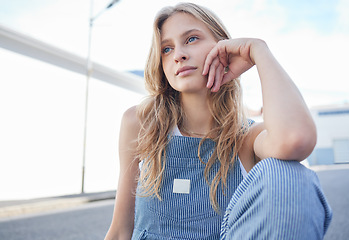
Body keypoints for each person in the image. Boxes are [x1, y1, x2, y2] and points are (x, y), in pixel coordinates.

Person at [105, 2, 332, 240]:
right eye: (166, 49)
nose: (179, 55)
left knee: (291, 175)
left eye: (192, 39)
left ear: (224, 47)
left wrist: (258, 51)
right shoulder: (140, 122)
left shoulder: (246, 138)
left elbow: (296, 138)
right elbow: (120, 230)